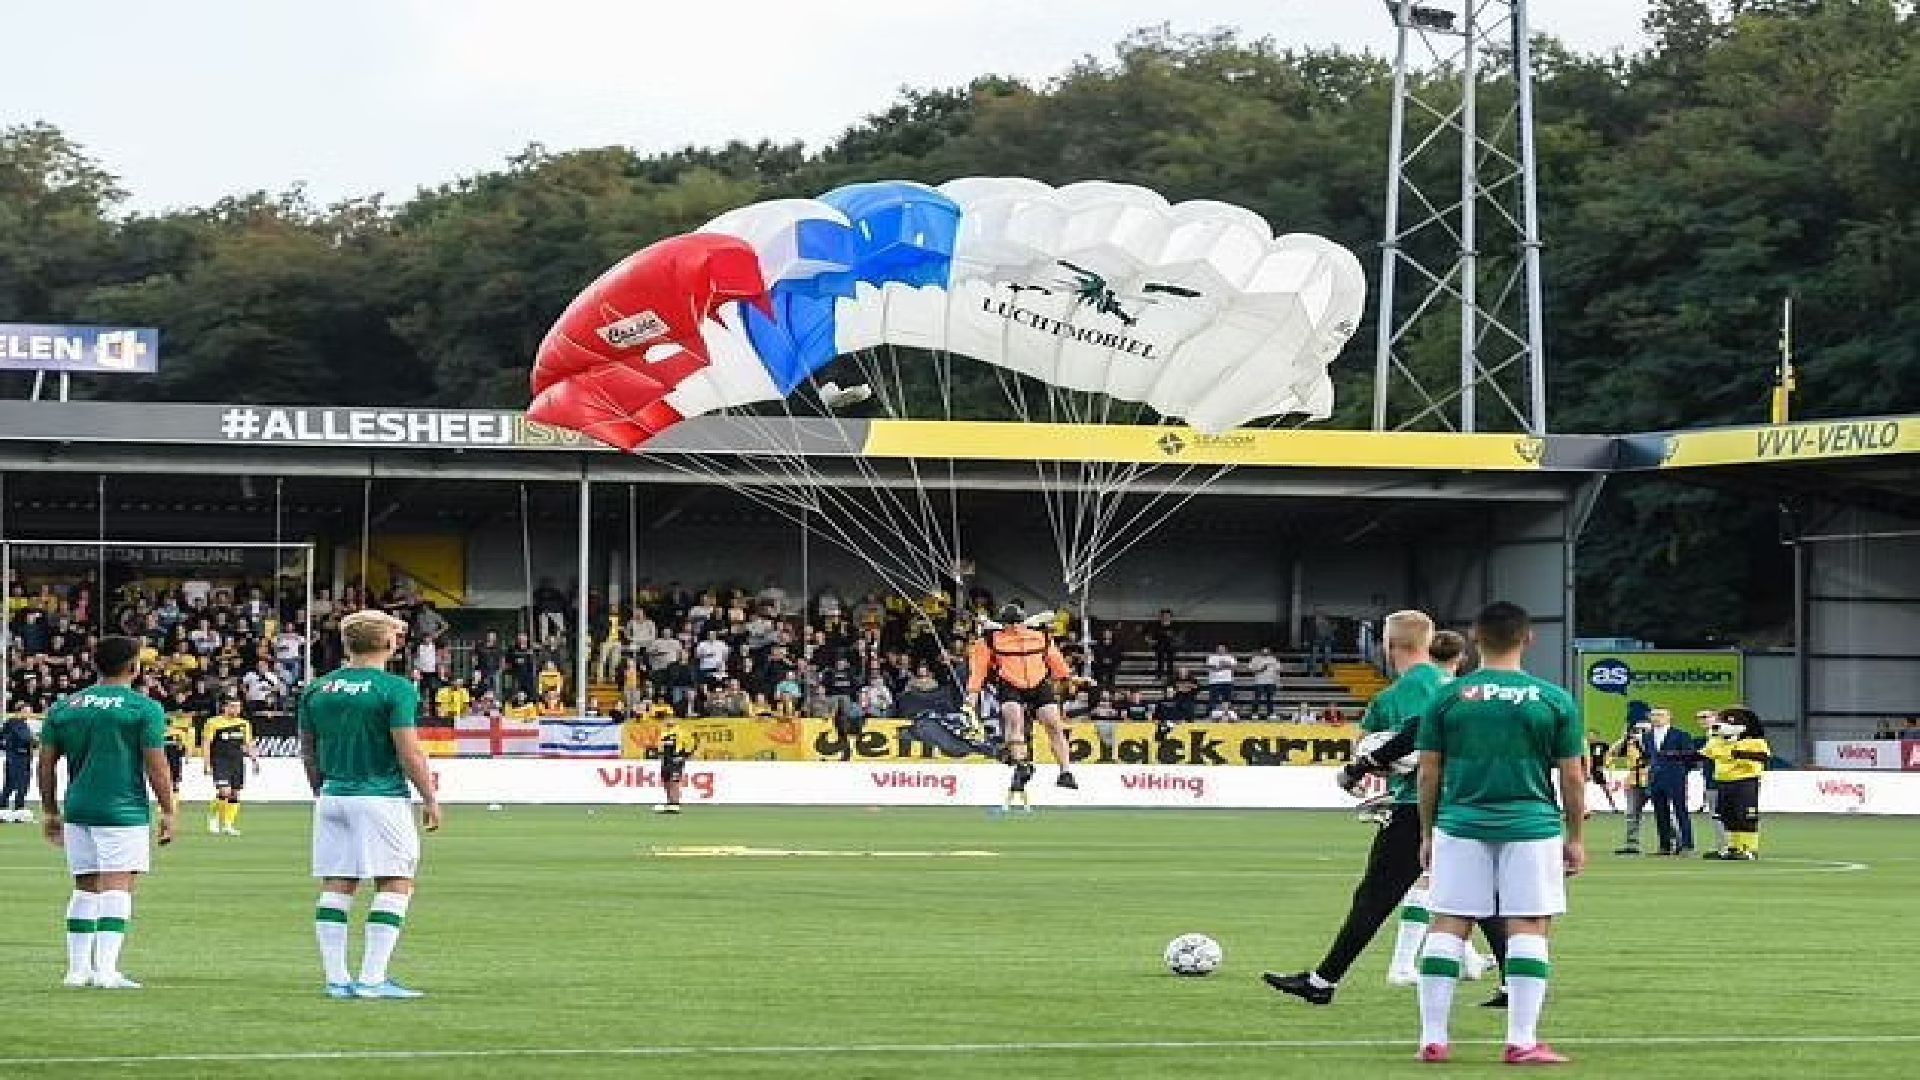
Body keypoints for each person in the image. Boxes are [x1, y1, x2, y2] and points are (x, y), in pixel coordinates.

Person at [1263, 612, 1504, 1008]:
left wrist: (1366, 765)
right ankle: (1513, 983)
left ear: (1389, 647)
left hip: (1417, 807)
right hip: (1462, 803)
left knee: (1376, 896)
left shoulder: (1396, 696)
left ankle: (1322, 982)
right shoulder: (1455, 687)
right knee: (1474, 893)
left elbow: (1405, 741)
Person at [1411, 601, 1585, 1065]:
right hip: (1531, 825)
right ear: (1528, 638)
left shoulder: (1446, 697)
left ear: (1474, 637)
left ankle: (1433, 1038)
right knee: (1529, 923)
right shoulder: (1553, 699)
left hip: (1459, 822)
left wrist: (1427, 831)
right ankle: (1522, 1040)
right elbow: (1572, 775)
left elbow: (1428, 773)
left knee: (1449, 921)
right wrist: (1576, 835)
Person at [299, 609, 440, 1000]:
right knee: (395, 881)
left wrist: (321, 790)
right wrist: (429, 796)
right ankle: (374, 979)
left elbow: (307, 749)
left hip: (332, 795)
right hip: (379, 796)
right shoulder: (396, 689)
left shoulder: (318, 688)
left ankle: (336, 978)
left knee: (338, 883)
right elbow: (408, 750)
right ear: (390, 643)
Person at [36, 635, 178, 989]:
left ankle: (77, 970)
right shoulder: (143, 708)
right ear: (134, 665)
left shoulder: (65, 707)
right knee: (118, 887)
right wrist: (169, 810)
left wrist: (51, 811)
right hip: (122, 810)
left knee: (85, 888)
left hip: (79, 808)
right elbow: (156, 766)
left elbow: (46, 764)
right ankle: (107, 971)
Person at [967, 603, 1079, 804]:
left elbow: (1055, 659)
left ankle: (1065, 772)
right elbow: (979, 669)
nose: (1016, 627)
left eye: (1018, 623)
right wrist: (973, 694)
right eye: (1012, 624)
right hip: (1010, 684)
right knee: (1013, 719)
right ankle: (1020, 763)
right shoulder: (990, 640)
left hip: (1039, 683)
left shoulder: (1041, 637)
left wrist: (1066, 677)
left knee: (1053, 723)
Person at [1700, 706, 1770, 860]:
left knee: (1745, 815)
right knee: (1726, 815)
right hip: (1724, 781)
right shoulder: (1717, 742)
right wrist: (1675, 756)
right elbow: (1702, 755)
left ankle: (1749, 849)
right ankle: (1733, 847)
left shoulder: (1754, 741)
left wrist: (1739, 754)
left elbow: (1763, 757)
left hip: (1745, 781)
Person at [1642, 707, 1697, 855]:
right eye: (1653, 715)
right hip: (1655, 778)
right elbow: (1648, 756)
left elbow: (1690, 757)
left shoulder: (1681, 735)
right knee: (1660, 812)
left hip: (1675, 777)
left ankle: (1687, 845)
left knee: (1680, 810)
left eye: (1660, 715)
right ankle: (1665, 845)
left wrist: (1680, 772)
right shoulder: (1647, 736)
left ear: (1669, 717)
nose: (1656, 717)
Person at [202, 698, 259, 836]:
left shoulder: (244, 724)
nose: (236, 710)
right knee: (224, 791)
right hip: (220, 761)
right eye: (233, 706)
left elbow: (248, 744)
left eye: (238, 707)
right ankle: (213, 817)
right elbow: (207, 744)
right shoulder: (213, 722)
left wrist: (254, 760)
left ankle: (228, 824)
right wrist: (206, 764)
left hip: (237, 761)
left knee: (235, 793)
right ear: (225, 707)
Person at [1612, 715, 1652, 854]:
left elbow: (1650, 755)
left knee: (1663, 812)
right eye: (1636, 729)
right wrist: (1624, 738)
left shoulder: (1655, 742)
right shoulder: (1629, 743)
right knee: (1631, 814)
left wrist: (1642, 741)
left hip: (1651, 779)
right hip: (1634, 781)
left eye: (1643, 730)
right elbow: (1614, 752)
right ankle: (1632, 844)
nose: (1639, 732)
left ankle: (1674, 840)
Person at [654, 716, 695, 814]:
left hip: (676, 759)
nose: (668, 721)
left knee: (674, 781)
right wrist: (660, 754)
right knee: (666, 781)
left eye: (670, 719)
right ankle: (669, 803)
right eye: (666, 719)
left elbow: (691, 744)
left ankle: (675, 803)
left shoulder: (681, 732)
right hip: (665, 760)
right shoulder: (663, 734)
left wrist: (684, 755)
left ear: (676, 721)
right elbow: (660, 747)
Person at [2, 710, 37, 822]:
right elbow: (26, 738)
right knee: (22, 783)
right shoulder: (17, 723)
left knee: (10, 784)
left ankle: (3, 807)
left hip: (14, 757)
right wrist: (35, 740)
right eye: (27, 711)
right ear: (20, 711)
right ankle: (19, 809)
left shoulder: (12, 724)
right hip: (19, 758)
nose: (29, 714)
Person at [1247, 646, 1282, 719]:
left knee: (1270, 699)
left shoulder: (1273, 659)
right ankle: (1255, 713)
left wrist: (1278, 682)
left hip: (1271, 682)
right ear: (1261, 651)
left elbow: (1277, 671)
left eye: (1267, 651)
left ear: (1269, 651)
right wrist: (1260, 669)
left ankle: (1270, 714)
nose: (1265, 652)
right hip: (1259, 682)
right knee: (1257, 698)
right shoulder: (1255, 659)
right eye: (1264, 651)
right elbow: (1251, 670)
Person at [1204, 644, 1237, 711]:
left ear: (1225, 650)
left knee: (1227, 700)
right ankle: (1212, 714)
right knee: (1213, 699)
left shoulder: (1230, 657)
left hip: (1227, 681)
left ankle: (1226, 714)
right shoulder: (1212, 657)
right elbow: (1208, 666)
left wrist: (1224, 665)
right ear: (1217, 650)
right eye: (1219, 649)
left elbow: (1234, 666)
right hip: (1214, 682)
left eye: (1222, 649)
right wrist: (1218, 667)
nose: (1221, 650)